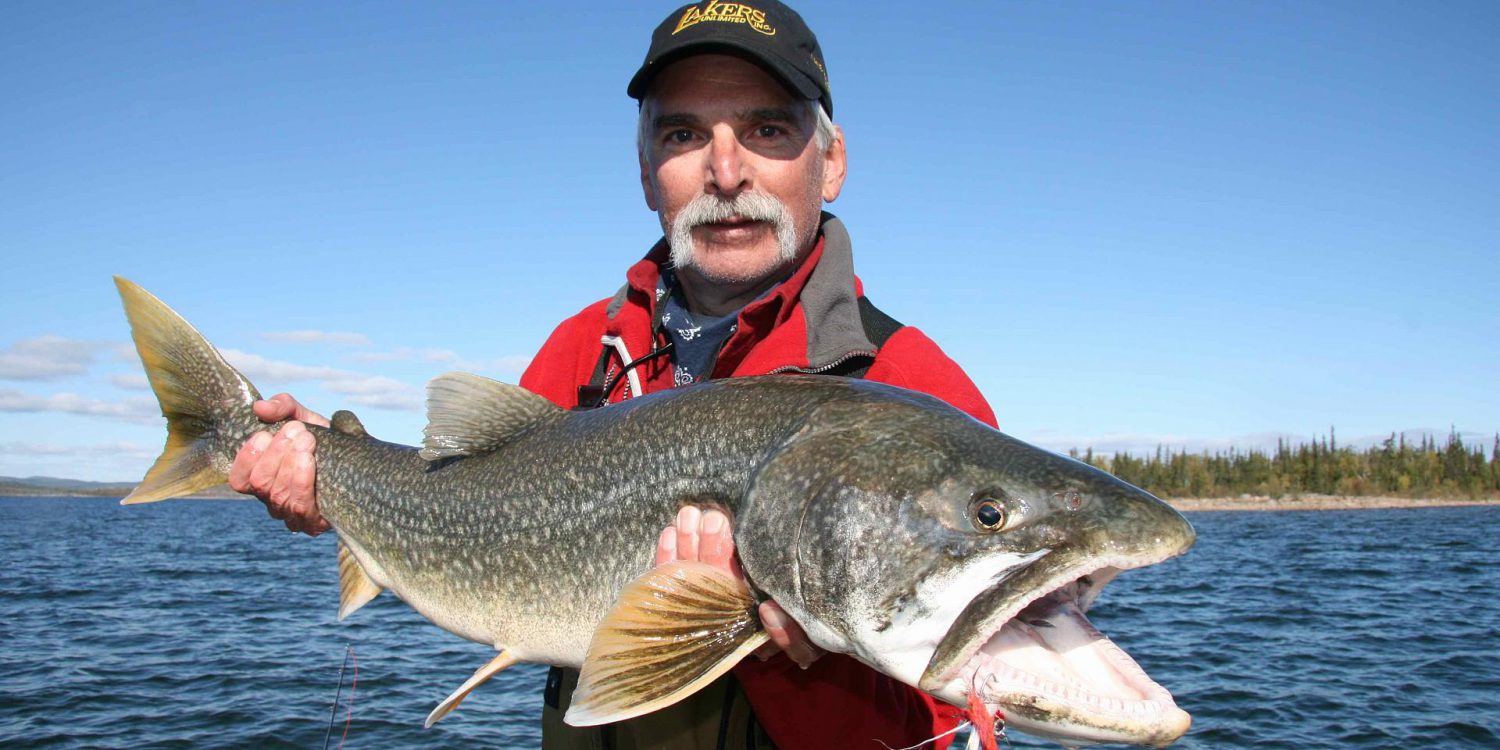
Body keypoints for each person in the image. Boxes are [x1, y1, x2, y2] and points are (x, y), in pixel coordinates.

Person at [229, 2, 997, 749]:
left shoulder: (918, 390)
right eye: (684, 133)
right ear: (645, 172)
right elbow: (462, 512)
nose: (726, 171)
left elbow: (958, 727)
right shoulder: (580, 350)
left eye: (766, 128)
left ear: (829, 163)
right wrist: (334, 466)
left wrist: (791, 661)